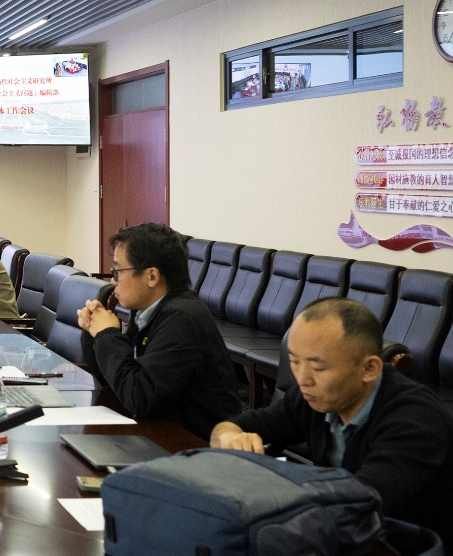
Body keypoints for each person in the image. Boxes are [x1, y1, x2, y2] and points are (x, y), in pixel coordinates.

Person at [210, 298, 453, 541]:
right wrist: (229, 436)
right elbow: (234, 425)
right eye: (294, 361)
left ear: (369, 368)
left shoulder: (416, 420)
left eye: (319, 368)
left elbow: (361, 502)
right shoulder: (313, 398)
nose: (302, 379)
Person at [77, 222, 241, 441]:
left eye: (117, 270)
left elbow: (139, 397)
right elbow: (114, 381)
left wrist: (106, 334)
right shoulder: (147, 310)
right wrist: (93, 332)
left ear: (152, 276)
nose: (113, 280)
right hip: (161, 431)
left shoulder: (181, 320)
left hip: (194, 444)